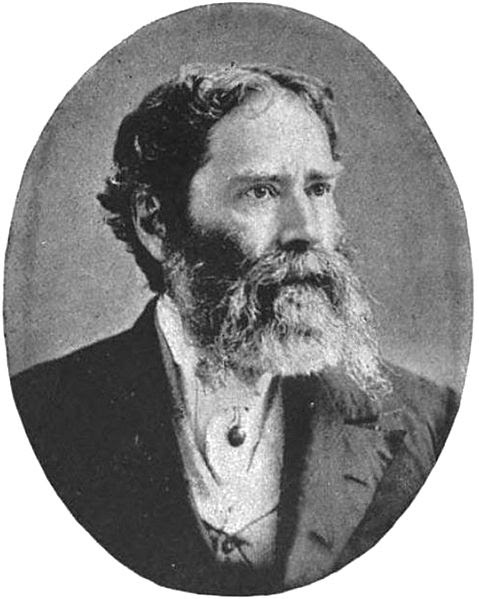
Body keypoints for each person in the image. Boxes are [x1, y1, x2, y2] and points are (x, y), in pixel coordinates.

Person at [11, 64, 458, 595]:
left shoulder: (427, 421)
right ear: (155, 221)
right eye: (260, 192)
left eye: (318, 189)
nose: (306, 231)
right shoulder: (38, 414)